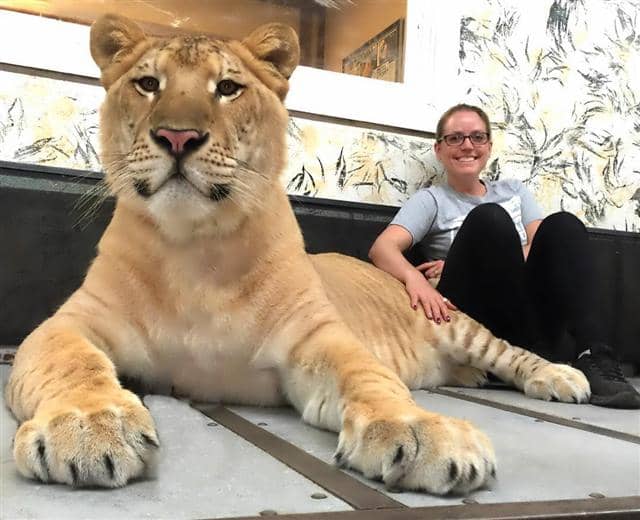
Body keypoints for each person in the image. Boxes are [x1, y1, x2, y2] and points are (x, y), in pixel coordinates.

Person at [369, 103, 640, 409]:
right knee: (490, 220)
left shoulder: (514, 191)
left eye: (477, 137)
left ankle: (596, 357)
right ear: (440, 150)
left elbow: (543, 249)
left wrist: (506, 252)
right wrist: (415, 279)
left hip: (530, 320)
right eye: (455, 138)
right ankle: (508, 362)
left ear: (489, 146)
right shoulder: (431, 200)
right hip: (476, 326)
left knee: (565, 224)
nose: (467, 145)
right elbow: (382, 248)